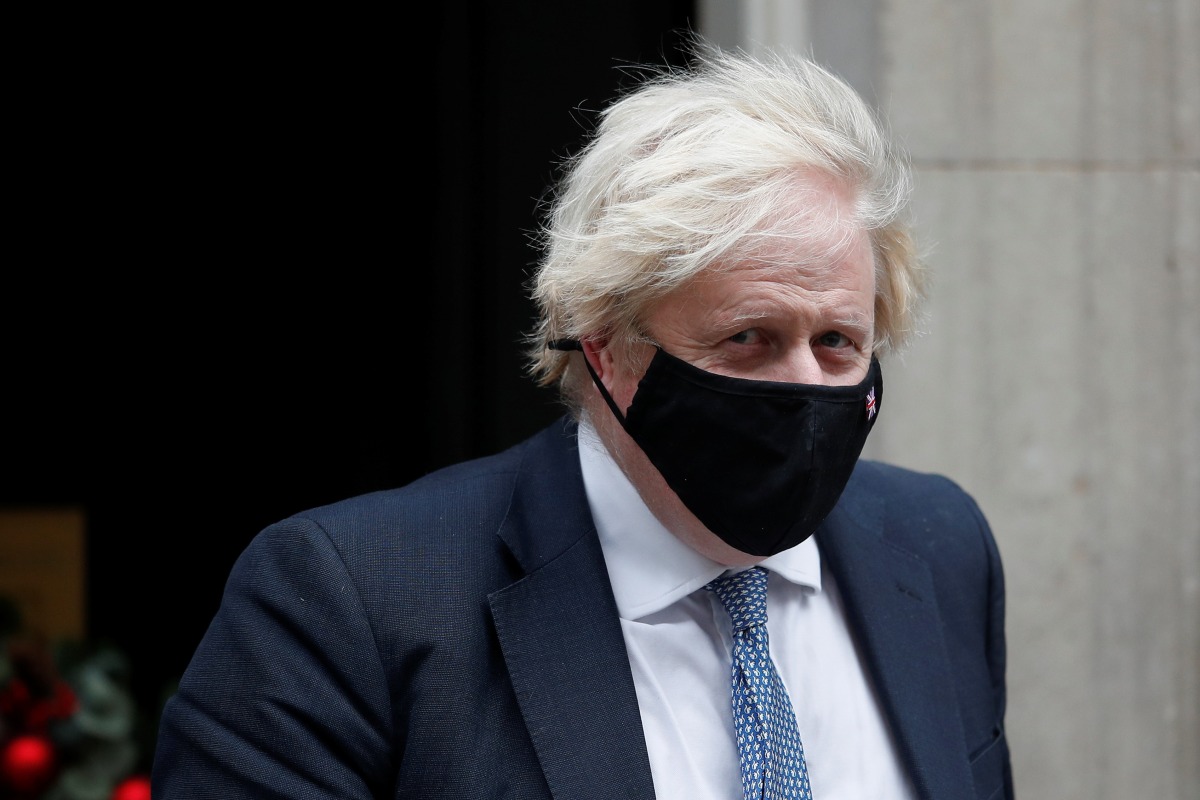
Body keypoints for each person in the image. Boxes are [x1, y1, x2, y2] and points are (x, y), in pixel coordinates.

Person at [152, 40, 1014, 800]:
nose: (803, 388)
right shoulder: (344, 604)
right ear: (605, 345)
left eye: (836, 342)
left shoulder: (939, 551)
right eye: (747, 338)